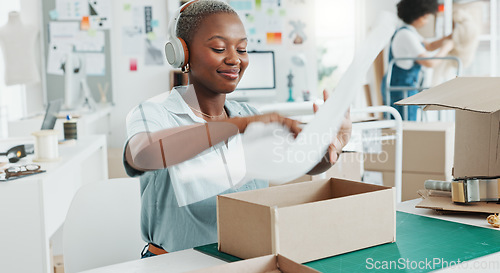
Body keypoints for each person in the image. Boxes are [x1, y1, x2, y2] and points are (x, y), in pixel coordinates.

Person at [123, 0, 352, 258]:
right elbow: (143, 155)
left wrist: (334, 146)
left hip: (247, 259)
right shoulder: (153, 113)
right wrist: (238, 127)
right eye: (219, 48)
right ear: (182, 54)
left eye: (242, 49)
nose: (234, 59)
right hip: (174, 264)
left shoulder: (249, 116)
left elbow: (303, 162)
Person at [382, 0, 454, 121]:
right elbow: (429, 62)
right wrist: (446, 48)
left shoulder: (410, 32)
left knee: (408, 122)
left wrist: (449, 37)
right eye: (425, 18)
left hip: (407, 85)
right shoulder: (405, 35)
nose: (426, 21)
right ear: (417, 16)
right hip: (401, 88)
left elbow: (429, 46)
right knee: (406, 124)